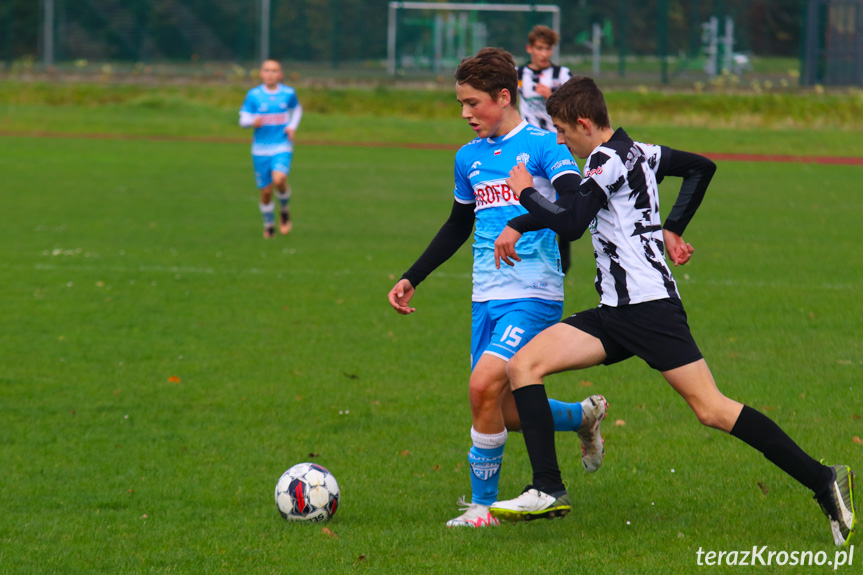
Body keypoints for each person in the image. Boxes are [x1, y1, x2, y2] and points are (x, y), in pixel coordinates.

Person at [488, 76, 857, 547]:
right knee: (524, 364)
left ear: (584, 123)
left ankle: (823, 478)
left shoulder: (605, 159)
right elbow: (701, 167)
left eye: (562, 130)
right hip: (616, 311)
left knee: (712, 409)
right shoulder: (639, 151)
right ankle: (546, 487)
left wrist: (524, 194)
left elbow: (574, 223)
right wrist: (672, 228)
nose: (559, 140)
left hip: (647, 310)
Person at [387, 49, 607, 528]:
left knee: (482, 383)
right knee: (501, 409)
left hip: (533, 294)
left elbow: (572, 206)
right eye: (461, 104)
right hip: (484, 297)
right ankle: (582, 417)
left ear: (503, 97)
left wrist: (523, 222)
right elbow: (456, 226)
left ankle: (481, 507)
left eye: (472, 103)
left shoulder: (546, 147)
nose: (465, 114)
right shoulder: (468, 158)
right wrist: (412, 275)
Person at [517, 25, 574, 274]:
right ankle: (526, 249)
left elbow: (577, 104)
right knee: (529, 196)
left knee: (564, 200)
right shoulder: (518, 74)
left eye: (548, 48)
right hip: (528, 146)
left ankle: (563, 256)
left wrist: (552, 94)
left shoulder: (561, 75)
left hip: (557, 145)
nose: (544, 53)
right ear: (530, 49)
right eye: (539, 48)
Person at [239, 59, 302, 238]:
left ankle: (284, 209)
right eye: (266, 70)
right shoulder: (253, 95)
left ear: (280, 74)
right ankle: (269, 223)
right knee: (266, 191)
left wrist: (292, 126)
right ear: (260, 73)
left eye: (274, 71)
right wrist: (252, 121)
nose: (270, 74)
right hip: (260, 150)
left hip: (282, 145)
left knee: (279, 180)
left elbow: (297, 109)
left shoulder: (288, 93)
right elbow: (243, 119)